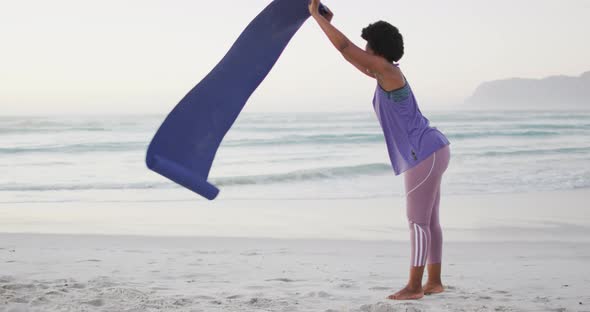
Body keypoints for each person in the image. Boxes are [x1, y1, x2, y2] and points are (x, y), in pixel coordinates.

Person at [308, 0, 452, 300]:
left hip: (422, 153)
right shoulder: (386, 73)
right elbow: (353, 58)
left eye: (368, 46)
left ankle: (415, 287)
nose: (365, 51)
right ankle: (434, 282)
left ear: (377, 49)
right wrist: (329, 23)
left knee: (418, 222)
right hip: (432, 149)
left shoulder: (386, 70)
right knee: (430, 220)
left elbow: (346, 49)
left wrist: (316, 18)